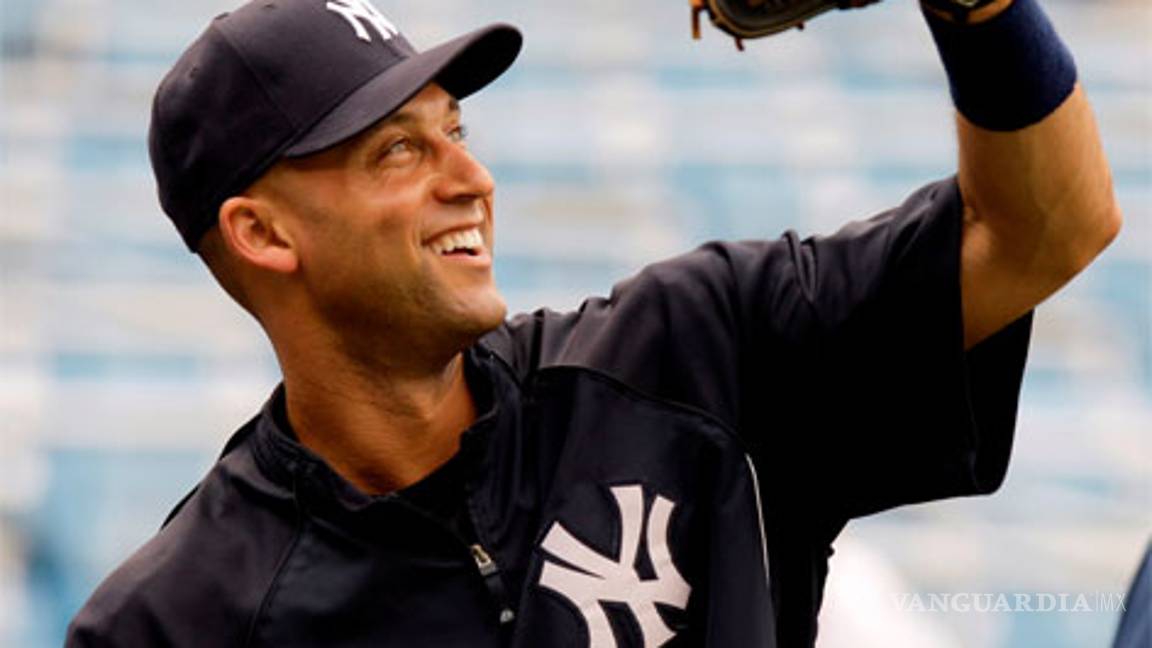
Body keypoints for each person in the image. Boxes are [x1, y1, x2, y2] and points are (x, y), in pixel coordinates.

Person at [65, 0, 1121, 646]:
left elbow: (1043, 230)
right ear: (261, 234)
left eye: (456, 130)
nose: (472, 179)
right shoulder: (173, 620)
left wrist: (980, 6)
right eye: (400, 150)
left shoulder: (695, 354)